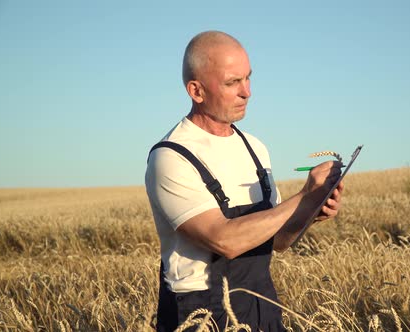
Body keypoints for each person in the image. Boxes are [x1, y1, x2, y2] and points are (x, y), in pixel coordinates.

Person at [145, 30, 344, 332]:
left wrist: (311, 212)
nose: (246, 91)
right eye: (232, 82)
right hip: (202, 317)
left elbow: (277, 241)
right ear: (196, 91)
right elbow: (224, 239)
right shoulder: (172, 157)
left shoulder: (254, 148)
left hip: (262, 305)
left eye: (248, 78)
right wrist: (303, 196)